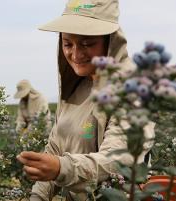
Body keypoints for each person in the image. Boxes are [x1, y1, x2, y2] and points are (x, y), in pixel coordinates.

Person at [16, 0, 155, 200]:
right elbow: (55, 147)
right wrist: (39, 195)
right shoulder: (78, 87)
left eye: (88, 44)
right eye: (67, 44)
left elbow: (120, 158)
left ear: (111, 42)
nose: (76, 54)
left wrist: (60, 168)